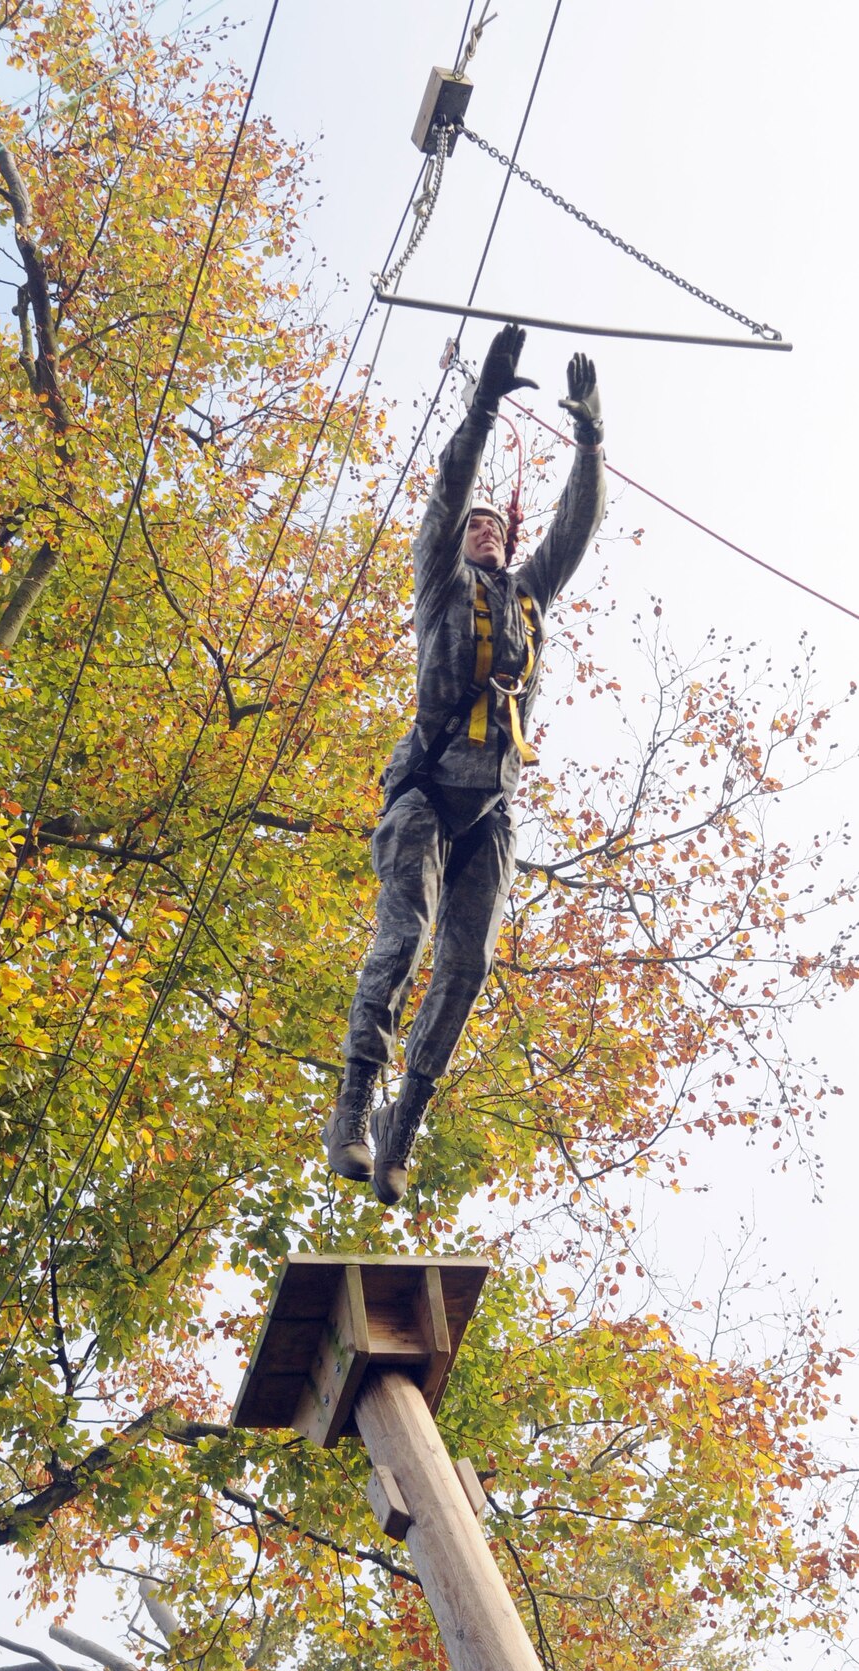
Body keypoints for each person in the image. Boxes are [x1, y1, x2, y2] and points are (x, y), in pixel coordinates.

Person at [324, 323, 607, 1205]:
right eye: (475, 526)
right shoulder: (440, 582)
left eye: (494, 525)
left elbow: (575, 527)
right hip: (424, 793)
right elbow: (448, 490)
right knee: (402, 939)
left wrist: (591, 440)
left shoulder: (527, 594)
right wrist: (481, 406)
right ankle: (352, 1106)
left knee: (468, 966)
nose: (483, 530)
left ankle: (403, 1125)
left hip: (492, 807)